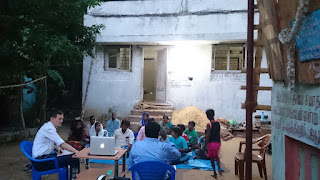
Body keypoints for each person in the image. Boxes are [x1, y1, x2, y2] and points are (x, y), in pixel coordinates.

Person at [32, 110, 79, 177]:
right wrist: (77, 152)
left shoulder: (48, 126)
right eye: (59, 119)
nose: (62, 121)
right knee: (74, 157)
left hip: (44, 157)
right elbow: (62, 144)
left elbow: (50, 143)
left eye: (62, 119)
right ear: (52, 119)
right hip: (41, 162)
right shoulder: (49, 129)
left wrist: (57, 148)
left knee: (70, 155)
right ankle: (74, 177)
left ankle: (71, 176)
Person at [205, 109, 222, 178]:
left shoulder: (209, 125)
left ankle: (215, 173)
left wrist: (205, 144)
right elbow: (218, 132)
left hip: (211, 143)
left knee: (212, 158)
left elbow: (208, 135)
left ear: (207, 116)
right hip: (218, 142)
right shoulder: (218, 123)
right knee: (217, 156)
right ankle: (220, 169)